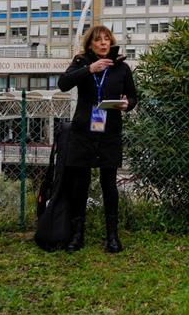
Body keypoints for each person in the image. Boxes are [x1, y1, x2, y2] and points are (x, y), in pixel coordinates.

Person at [57, 25, 138, 253]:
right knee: (80, 183)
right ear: (90, 44)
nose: (103, 43)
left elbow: (132, 97)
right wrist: (90, 69)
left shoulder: (121, 67)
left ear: (111, 42)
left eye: (106, 39)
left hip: (110, 131)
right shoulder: (82, 62)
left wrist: (126, 104)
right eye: (98, 40)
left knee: (108, 183)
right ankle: (77, 235)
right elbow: (63, 84)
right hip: (83, 131)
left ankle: (112, 236)